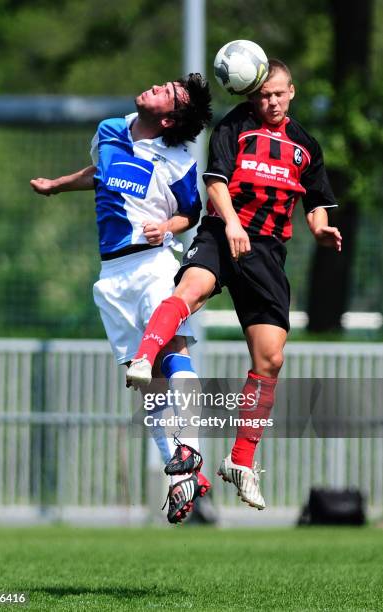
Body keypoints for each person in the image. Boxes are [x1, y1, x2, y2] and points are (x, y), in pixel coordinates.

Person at [126, 59, 342, 510]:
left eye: (279, 94)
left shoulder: (306, 146)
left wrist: (320, 228)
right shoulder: (234, 127)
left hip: (267, 254)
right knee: (189, 292)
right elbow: (216, 183)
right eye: (264, 95)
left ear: (292, 92)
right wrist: (230, 225)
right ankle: (145, 359)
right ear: (252, 94)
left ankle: (240, 460)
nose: (272, 102)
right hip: (222, 235)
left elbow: (318, 202)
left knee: (271, 358)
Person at [30, 74, 213, 524]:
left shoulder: (178, 160)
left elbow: (191, 213)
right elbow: (101, 174)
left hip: (153, 264)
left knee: (172, 354)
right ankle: (179, 476)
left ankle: (190, 447)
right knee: (144, 385)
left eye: (167, 92)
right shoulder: (111, 129)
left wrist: (167, 228)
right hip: (111, 276)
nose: (156, 87)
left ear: (168, 117)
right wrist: (57, 185)